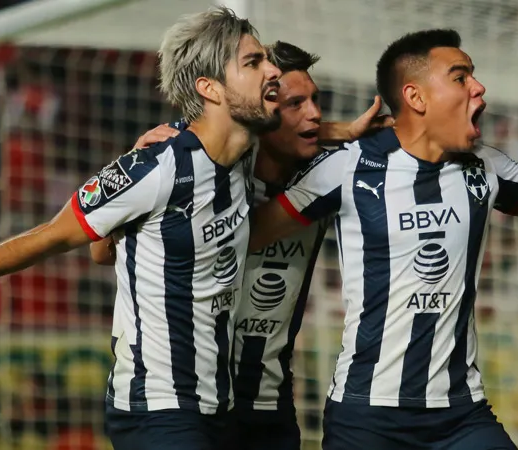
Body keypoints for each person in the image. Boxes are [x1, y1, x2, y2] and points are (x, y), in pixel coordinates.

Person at [0, 7, 284, 450]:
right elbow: (52, 235)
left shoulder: (245, 155)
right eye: (253, 62)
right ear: (210, 88)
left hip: (217, 405)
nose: (272, 71)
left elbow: (106, 252)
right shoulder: (153, 168)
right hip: (158, 407)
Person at [249, 29, 518, 449]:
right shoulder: (347, 167)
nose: (478, 87)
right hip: (367, 416)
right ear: (416, 97)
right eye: (460, 77)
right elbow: (247, 235)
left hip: (460, 415)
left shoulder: (484, 166)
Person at [92, 41, 391, 450]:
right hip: (185, 402)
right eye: (295, 103)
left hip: (267, 403)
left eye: (316, 101)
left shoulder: (326, 174)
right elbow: (99, 252)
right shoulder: (197, 171)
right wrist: (132, 160)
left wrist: (346, 131)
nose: (314, 114)